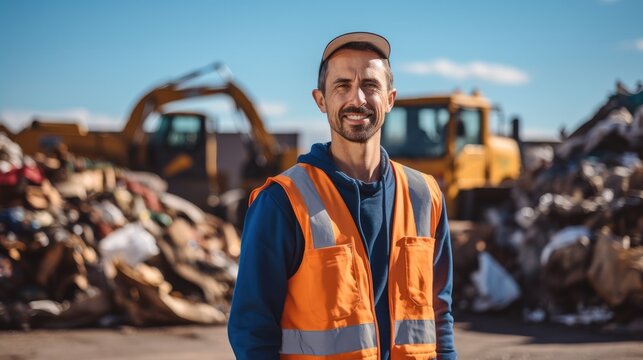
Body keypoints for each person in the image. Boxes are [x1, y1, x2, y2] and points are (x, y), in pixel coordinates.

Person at [228, 32, 456, 360]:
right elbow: (252, 328)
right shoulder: (282, 201)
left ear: (390, 99)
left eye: (370, 85)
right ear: (321, 99)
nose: (357, 99)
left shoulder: (425, 195)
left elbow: (439, 313)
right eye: (342, 85)